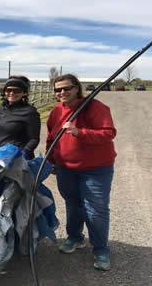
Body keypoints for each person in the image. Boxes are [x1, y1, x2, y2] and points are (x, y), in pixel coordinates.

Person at [46, 74, 116, 271]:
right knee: (73, 204)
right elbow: (51, 138)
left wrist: (80, 132)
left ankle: (101, 249)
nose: (62, 93)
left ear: (77, 88)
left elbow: (109, 133)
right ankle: (75, 238)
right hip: (66, 168)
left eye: (66, 88)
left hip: (95, 169)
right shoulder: (56, 112)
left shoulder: (95, 107)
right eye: (58, 90)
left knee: (96, 210)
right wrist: (51, 160)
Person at [0, 76, 40, 158]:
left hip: (15, 158)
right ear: (4, 92)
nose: (12, 93)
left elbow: (34, 139)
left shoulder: (30, 112)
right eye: (8, 90)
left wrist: (23, 154)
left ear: (24, 93)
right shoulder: (2, 109)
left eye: (17, 90)